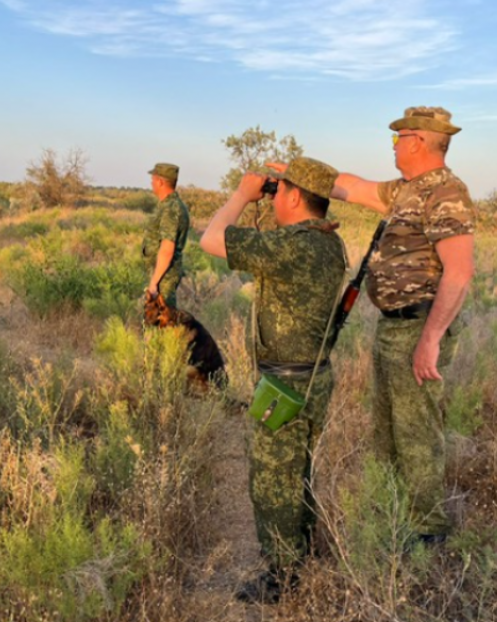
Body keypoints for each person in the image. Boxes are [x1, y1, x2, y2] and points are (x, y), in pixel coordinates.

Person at [279, 106, 475, 542]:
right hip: (394, 327)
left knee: (416, 434)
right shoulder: (407, 189)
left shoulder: (446, 193)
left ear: (418, 141)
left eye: (397, 138)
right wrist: (299, 173)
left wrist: (430, 341)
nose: (393, 146)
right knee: (387, 432)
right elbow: (352, 186)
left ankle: (428, 532)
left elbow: (459, 273)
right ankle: (394, 517)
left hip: (416, 329)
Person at [200, 157, 346, 604]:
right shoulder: (329, 244)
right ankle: (300, 558)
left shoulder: (293, 246)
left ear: (296, 196)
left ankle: (282, 577)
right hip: (315, 377)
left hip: (285, 384)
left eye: (280, 190)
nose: (276, 197)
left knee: (272, 483)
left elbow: (210, 239)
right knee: (298, 474)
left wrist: (244, 195)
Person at [142, 162, 190, 308]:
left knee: (162, 321)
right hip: (160, 274)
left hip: (164, 277)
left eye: (153, 179)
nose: (151, 182)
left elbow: (167, 249)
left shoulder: (171, 209)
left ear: (161, 182)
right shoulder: (168, 205)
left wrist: (154, 283)